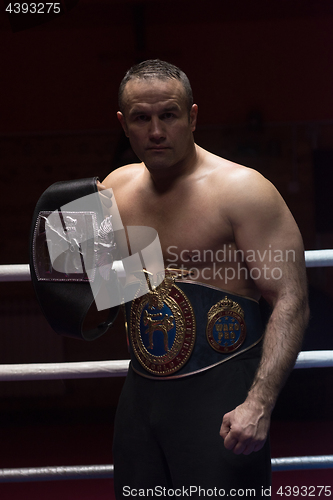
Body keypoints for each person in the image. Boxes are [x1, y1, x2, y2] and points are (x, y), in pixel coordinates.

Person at [100, 60, 309, 498]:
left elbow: (290, 299)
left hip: (223, 394)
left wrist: (259, 404)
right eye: (142, 118)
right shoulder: (113, 188)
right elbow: (106, 296)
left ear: (192, 116)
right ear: (124, 124)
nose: (156, 130)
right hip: (141, 397)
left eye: (169, 115)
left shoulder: (243, 190)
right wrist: (70, 247)